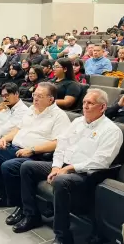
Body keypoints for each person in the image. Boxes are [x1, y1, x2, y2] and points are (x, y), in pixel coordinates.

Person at [15, 89, 123, 244]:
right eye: (84, 102)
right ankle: (31, 216)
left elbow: (102, 161)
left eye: (90, 103)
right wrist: (56, 167)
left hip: (86, 174)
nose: (85, 106)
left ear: (102, 107)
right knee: (27, 167)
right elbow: (61, 145)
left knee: (61, 181)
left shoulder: (112, 130)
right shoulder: (78, 122)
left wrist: (70, 168)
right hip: (64, 166)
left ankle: (62, 236)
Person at [0, 82, 70, 218]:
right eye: (34, 95)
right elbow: (18, 128)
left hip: (36, 155)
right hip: (15, 148)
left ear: (51, 99)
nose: (35, 98)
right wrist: (5, 139)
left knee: (8, 166)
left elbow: (58, 143)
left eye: (40, 96)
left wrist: (32, 149)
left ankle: (21, 206)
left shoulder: (59, 116)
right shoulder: (32, 109)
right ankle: (5, 195)